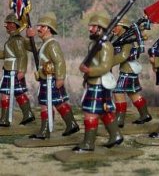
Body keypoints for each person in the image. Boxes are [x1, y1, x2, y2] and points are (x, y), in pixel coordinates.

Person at [73, 13, 123, 151]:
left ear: (101, 28)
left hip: (99, 82)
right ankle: (116, 135)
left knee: (91, 113)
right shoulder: (94, 44)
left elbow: (105, 66)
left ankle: (88, 143)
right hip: (93, 82)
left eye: (93, 26)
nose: (90, 29)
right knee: (103, 112)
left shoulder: (106, 46)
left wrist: (88, 71)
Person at [26, 12, 79, 139]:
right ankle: (46, 130)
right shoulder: (45, 44)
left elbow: (59, 62)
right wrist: (29, 37)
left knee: (59, 103)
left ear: (48, 28)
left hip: (52, 80)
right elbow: (34, 49)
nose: (39, 28)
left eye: (42, 26)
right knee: (46, 104)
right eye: (38, 26)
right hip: (46, 80)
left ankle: (70, 124)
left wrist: (60, 78)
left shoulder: (52, 44)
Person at [112, 18, 152, 128]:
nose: (113, 29)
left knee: (118, 92)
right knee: (133, 94)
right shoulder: (123, 39)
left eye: (116, 26)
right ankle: (145, 114)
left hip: (127, 71)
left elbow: (123, 56)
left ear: (123, 27)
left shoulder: (127, 41)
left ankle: (119, 119)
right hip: (129, 69)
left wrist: (109, 64)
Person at [0, 13, 35, 127]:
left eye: (9, 23)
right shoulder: (12, 39)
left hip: (13, 71)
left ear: (15, 25)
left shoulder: (17, 40)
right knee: (11, 93)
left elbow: (22, 56)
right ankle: (7, 118)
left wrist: (21, 70)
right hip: (9, 70)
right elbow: (7, 54)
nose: (6, 25)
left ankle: (25, 114)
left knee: (15, 93)